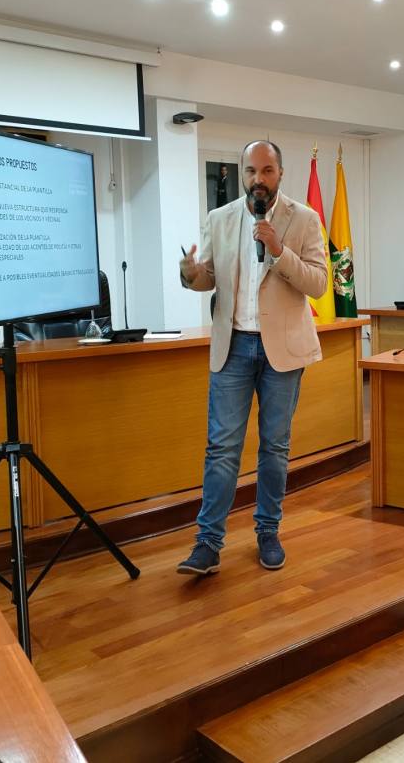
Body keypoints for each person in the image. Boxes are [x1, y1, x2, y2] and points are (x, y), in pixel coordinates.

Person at [177, 140, 328, 575]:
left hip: (283, 350)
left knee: (274, 447)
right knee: (222, 447)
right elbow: (208, 277)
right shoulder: (219, 218)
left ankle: (268, 532)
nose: (258, 179)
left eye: (266, 171)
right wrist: (190, 274)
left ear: (280, 173)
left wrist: (279, 250)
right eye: (250, 171)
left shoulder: (304, 218)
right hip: (234, 347)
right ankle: (207, 543)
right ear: (242, 173)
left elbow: (319, 283)